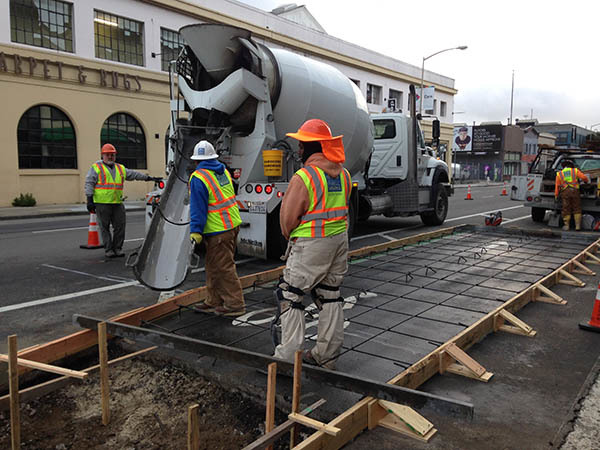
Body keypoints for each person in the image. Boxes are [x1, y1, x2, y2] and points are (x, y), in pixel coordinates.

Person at [273, 119, 351, 369]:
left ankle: (288, 360)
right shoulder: (344, 174)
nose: (298, 149)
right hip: (339, 241)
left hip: (312, 244)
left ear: (311, 147)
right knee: (330, 296)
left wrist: (292, 237)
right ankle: (326, 356)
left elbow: (287, 220)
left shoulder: (305, 176)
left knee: (291, 295)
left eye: (301, 144)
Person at [188, 140, 245, 317]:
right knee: (213, 265)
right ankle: (213, 300)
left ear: (197, 161)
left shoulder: (199, 178)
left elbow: (198, 208)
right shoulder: (222, 172)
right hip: (231, 224)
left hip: (218, 229)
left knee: (224, 267)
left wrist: (196, 231)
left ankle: (235, 304)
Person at [85, 143, 160, 258]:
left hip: (117, 203)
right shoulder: (96, 168)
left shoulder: (120, 168)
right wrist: (89, 199)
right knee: (104, 228)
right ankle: (109, 250)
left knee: (120, 226)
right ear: (102, 155)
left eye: (112, 155)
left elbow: (134, 174)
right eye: (108, 155)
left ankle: (117, 248)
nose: (110, 157)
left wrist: (149, 178)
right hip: (102, 203)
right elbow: (89, 183)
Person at [555, 159, 589, 231]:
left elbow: (557, 186)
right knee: (577, 208)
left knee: (566, 208)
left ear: (564, 166)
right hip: (575, 191)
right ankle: (577, 226)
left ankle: (567, 226)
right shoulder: (575, 171)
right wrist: (586, 181)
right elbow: (584, 178)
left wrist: (556, 195)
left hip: (565, 192)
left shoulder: (559, 173)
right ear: (571, 166)